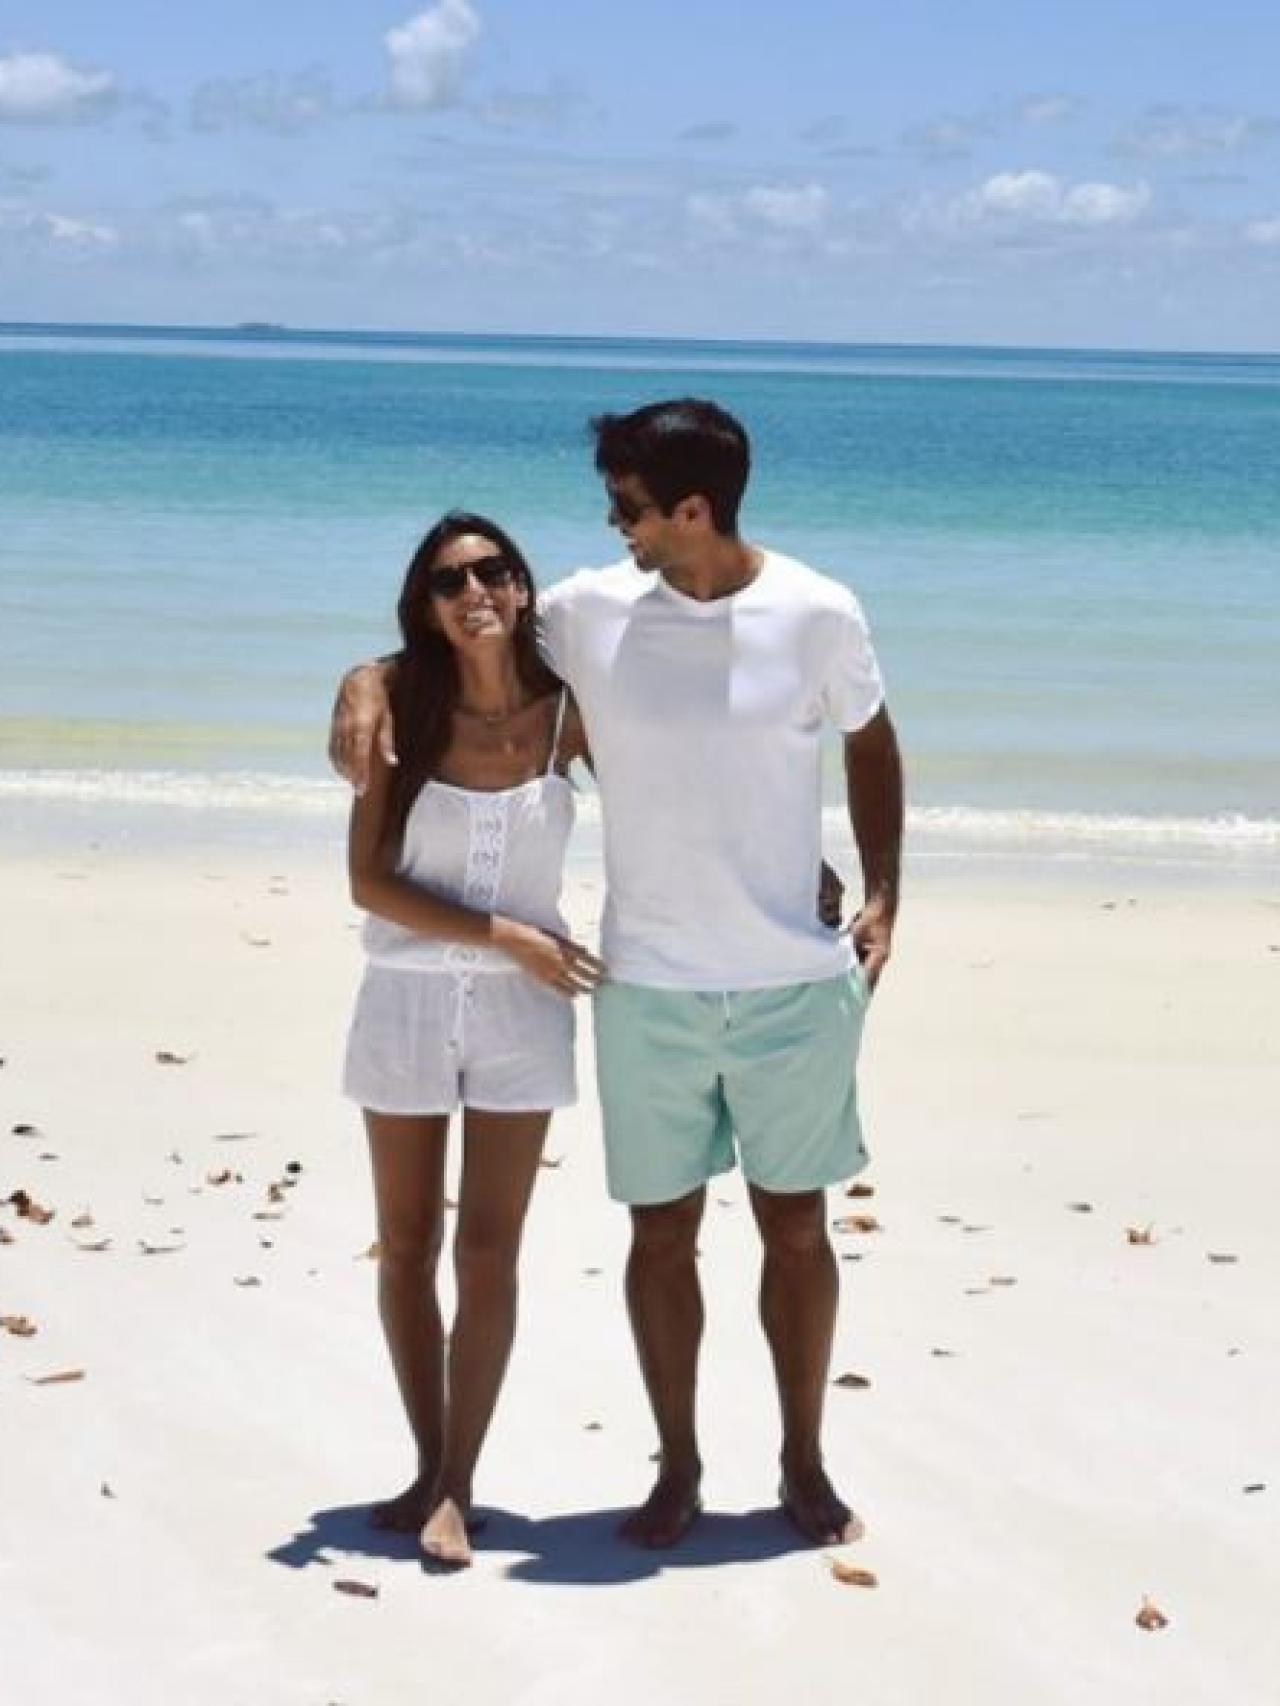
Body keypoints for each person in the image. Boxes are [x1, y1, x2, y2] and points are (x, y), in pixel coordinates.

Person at [331, 401, 903, 1549]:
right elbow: (455, 641)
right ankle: (677, 1468)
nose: (611, 521)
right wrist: (361, 680)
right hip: (642, 981)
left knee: (795, 1229)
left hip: (792, 978)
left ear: (690, 508)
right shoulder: (591, 611)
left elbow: (868, 738)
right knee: (659, 1236)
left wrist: (879, 886)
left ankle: (801, 1460)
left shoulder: (818, 610)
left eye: (629, 503)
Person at [342, 510, 602, 1568]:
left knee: (488, 1247)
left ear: (525, 588)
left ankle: (457, 1483)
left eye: (494, 570)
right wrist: (508, 935)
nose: (475, 590)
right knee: (405, 1245)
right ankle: (422, 1462)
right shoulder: (398, 709)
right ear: (428, 606)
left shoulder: (569, 716)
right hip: (403, 996)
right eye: (451, 580)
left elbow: (678, 789)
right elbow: (369, 881)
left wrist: (789, 868)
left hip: (520, 1016)